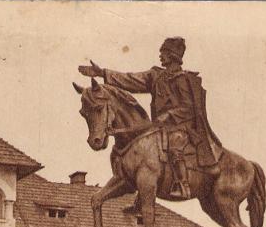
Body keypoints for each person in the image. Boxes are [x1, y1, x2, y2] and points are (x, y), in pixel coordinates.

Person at [79, 37, 223, 199]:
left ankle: (182, 184)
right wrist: (102, 73)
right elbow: (131, 79)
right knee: (144, 152)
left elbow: (187, 108)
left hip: (180, 127)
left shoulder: (184, 80)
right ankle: (141, 198)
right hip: (159, 126)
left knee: (175, 146)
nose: (161, 56)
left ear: (173, 56)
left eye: (164, 53)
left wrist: (168, 115)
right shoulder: (155, 76)